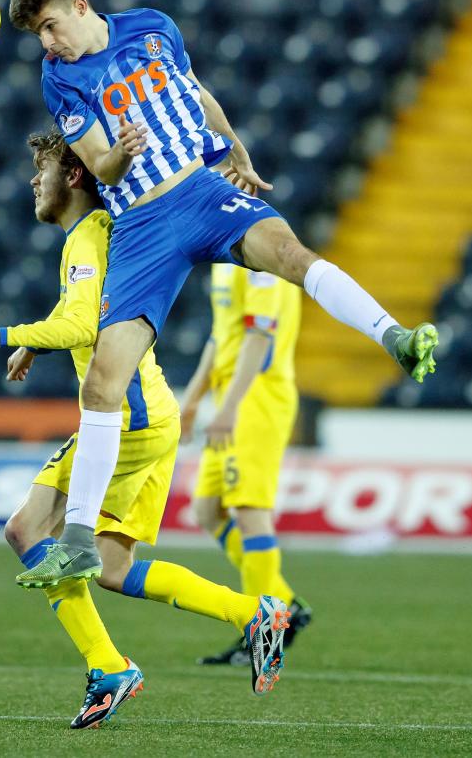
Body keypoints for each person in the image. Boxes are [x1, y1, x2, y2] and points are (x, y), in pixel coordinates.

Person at [7, 0, 439, 586]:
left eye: (49, 27)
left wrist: (233, 144)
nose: (48, 43)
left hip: (203, 192)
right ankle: (77, 536)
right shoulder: (60, 80)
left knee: (290, 253)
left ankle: (394, 335)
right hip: (143, 226)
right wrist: (120, 153)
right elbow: (100, 165)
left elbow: (193, 91)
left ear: (79, 6)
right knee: (103, 382)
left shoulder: (154, 28)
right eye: (38, 35)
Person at [0, 128, 290, 727]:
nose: (34, 180)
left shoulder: (86, 236)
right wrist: (37, 343)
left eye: (43, 169)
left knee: (26, 531)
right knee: (110, 565)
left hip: (124, 417)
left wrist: (1, 336)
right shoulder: (106, 230)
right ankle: (253, 614)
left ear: (74, 176)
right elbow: (85, 310)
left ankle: (108, 667)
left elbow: (81, 323)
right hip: (150, 414)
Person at [182, 263, 313, 666]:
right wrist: (192, 399)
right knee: (208, 508)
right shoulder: (226, 256)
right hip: (230, 396)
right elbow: (221, 336)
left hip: (257, 398)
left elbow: (260, 337)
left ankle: (264, 632)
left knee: (250, 510)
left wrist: (231, 407)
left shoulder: (263, 259)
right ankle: (285, 604)